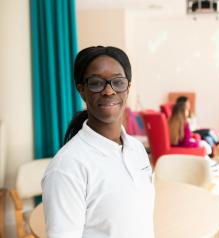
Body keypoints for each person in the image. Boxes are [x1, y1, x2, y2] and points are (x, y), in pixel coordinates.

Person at [41, 46, 154, 237]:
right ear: (82, 90)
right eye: (96, 83)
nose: (109, 91)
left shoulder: (137, 149)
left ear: (128, 88)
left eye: (118, 82)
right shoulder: (67, 167)